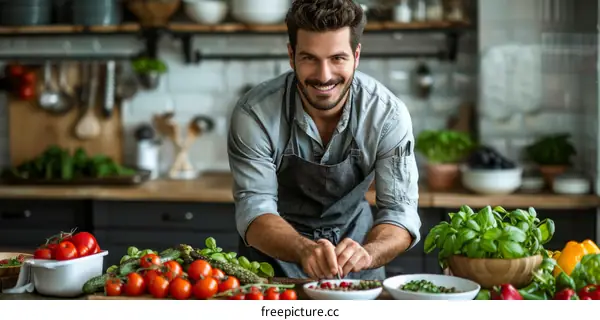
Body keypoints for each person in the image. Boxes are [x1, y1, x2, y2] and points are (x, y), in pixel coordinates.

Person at [227, 0, 421, 281]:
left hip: (359, 255)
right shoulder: (254, 113)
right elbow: (254, 209)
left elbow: (400, 212)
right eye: (309, 58)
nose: (324, 76)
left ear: (356, 56)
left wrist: (369, 252)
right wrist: (304, 249)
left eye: (337, 58)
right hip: (273, 263)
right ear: (291, 55)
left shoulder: (387, 115)